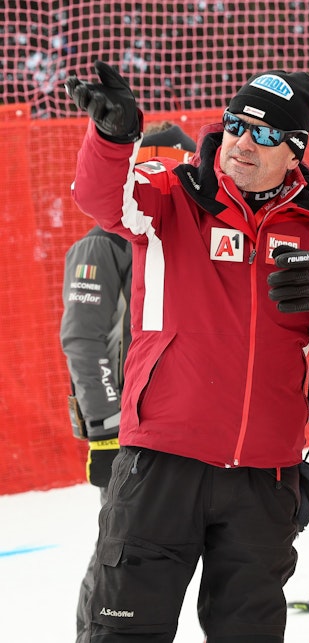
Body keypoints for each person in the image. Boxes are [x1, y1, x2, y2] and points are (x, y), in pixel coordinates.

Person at [65, 60, 309, 642]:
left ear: (295, 151)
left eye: (264, 134)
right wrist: (113, 138)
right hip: (163, 458)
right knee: (124, 630)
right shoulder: (173, 194)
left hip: (266, 471)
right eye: (237, 124)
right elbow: (100, 198)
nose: (242, 144)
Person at [60, 119, 196, 643]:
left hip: (173, 426)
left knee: (157, 559)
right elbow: (84, 340)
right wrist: (105, 429)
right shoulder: (102, 246)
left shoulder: (182, 241)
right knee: (120, 555)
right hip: (128, 429)